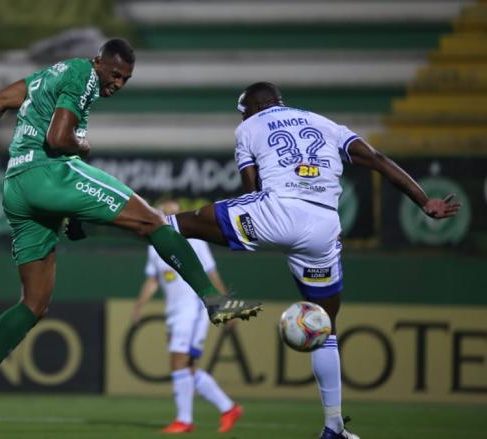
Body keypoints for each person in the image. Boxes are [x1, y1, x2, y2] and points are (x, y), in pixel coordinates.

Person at [0, 38, 262, 439]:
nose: (118, 83)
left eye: (125, 79)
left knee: (34, 303)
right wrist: (81, 144)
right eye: (114, 74)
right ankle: (213, 300)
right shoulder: (82, 74)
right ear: (99, 63)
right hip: (48, 173)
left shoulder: (50, 75)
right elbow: (59, 138)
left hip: (16, 189)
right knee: (156, 223)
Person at [169, 82, 461, 439]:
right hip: (323, 227)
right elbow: (378, 161)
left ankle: (114, 221)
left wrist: (261, 230)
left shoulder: (248, 126)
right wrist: (423, 201)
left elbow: (251, 189)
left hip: (277, 211)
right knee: (326, 328)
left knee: (173, 224)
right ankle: (334, 426)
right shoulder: (328, 124)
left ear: (251, 107)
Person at [131, 199, 242, 434]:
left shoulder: (193, 241)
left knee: (178, 361)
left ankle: (184, 420)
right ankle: (228, 408)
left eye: (173, 209)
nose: (169, 211)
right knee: (187, 367)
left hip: (192, 309)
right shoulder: (154, 245)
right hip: (174, 311)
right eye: (164, 208)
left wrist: (227, 308)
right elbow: (153, 281)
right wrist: (139, 306)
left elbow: (212, 276)